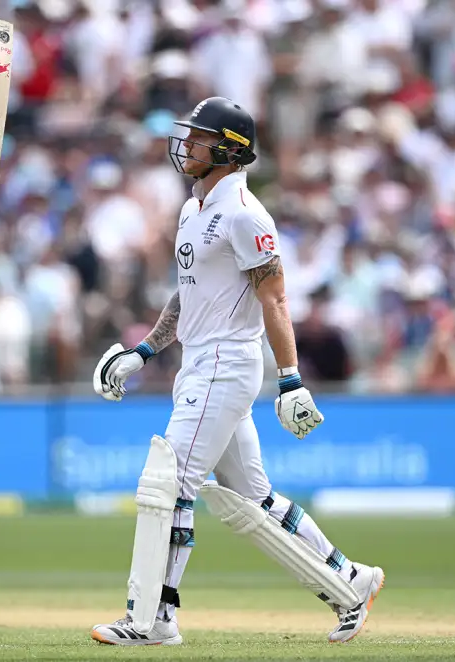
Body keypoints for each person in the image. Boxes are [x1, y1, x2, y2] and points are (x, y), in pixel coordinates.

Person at [90, 97, 384, 647]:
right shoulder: (191, 208)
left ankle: (155, 618)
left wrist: (291, 377)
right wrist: (145, 352)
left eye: (200, 137)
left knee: (168, 482)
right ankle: (352, 582)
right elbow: (190, 292)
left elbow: (273, 298)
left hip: (228, 364)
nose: (188, 145)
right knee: (255, 498)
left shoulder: (247, 214)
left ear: (229, 149)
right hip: (198, 363)